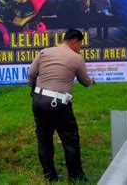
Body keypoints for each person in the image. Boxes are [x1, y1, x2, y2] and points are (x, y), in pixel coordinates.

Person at [28, 28, 95, 182]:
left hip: (38, 100)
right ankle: (75, 177)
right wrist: (92, 81)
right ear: (74, 41)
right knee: (70, 139)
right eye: (80, 44)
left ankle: (49, 176)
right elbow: (85, 82)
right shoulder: (76, 58)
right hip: (58, 104)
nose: (80, 47)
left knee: (44, 139)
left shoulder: (45, 52)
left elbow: (31, 75)